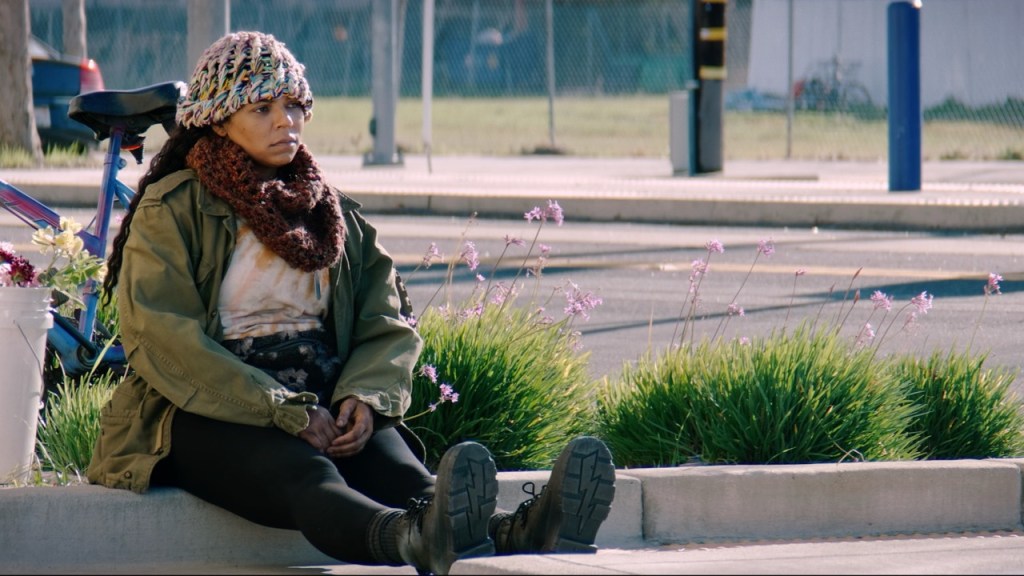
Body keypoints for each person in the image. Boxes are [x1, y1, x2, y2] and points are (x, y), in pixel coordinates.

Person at [86, 31, 616, 575]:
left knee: (408, 479)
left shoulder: (331, 214)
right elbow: (163, 336)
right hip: (206, 407)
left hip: (323, 396)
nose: (285, 121)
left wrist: (364, 396)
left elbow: (385, 321)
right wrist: (279, 407)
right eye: (262, 108)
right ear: (219, 120)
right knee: (308, 476)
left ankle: (523, 531)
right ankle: (413, 540)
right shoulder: (174, 208)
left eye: (294, 105)